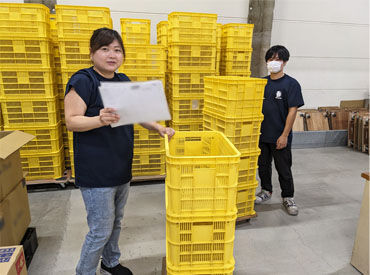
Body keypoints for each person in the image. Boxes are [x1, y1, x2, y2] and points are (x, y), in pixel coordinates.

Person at [64, 27, 175, 275]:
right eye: (104, 49)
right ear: (92, 53)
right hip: (96, 171)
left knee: (115, 222)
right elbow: (72, 121)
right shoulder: (84, 81)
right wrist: (98, 119)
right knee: (100, 229)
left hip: (120, 165)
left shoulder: (123, 80)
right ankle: (84, 272)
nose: (112, 55)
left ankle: (111, 262)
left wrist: (157, 127)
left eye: (117, 50)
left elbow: (135, 113)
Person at [255, 45, 304, 216]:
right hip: (262, 135)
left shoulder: (291, 84)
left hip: (279, 136)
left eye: (278, 59)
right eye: (270, 59)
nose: (273, 62)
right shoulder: (261, 83)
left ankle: (288, 196)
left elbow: (292, 111)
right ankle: (266, 190)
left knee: (283, 167)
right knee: (263, 166)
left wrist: (284, 135)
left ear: (285, 62)